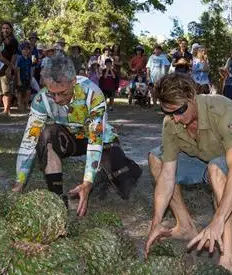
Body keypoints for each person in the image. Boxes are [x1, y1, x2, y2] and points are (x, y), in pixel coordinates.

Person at [144, 73, 232, 273]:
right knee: (156, 159)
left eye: (180, 110)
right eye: (169, 113)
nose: (176, 118)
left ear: (192, 96)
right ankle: (185, 226)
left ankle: (229, 256)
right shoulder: (171, 122)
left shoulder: (222, 110)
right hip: (208, 159)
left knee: (217, 169)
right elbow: (167, 176)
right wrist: (156, 222)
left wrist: (217, 220)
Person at [12, 53, 141, 214]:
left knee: (125, 185)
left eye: (63, 93)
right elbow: (29, 141)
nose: (57, 99)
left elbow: (95, 141)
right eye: (53, 93)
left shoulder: (93, 94)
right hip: (70, 136)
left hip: (98, 137)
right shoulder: (41, 99)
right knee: (47, 136)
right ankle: (57, 200)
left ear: (73, 81)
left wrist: (87, 182)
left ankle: (122, 168)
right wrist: (20, 183)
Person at [0, 22, 20, 116]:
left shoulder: (13, 40)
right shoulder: (0, 40)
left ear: (11, 30)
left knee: (6, 90)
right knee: (0, 90)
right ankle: (4, 110)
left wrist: (10, 67)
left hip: (7, 67)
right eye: (3, 28)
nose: (5, 30)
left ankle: (7, 110)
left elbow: (14, 55)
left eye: (7, 28)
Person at [16, 42, 34, 112]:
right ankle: (20, 105)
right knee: (20, 92)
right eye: (24, 49)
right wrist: (18, 80)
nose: (26, 51)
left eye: (27, 49)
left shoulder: (30, 59)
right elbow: (18, 69)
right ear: (21, 50)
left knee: (28, 91)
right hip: (21, 77)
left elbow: (32, 68)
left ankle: (26, 105)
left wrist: (31, 77)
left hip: (28, 77)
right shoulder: (20, 58)